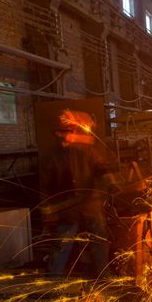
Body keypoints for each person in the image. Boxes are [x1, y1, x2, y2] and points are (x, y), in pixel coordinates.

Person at [40, 109, 110, 277]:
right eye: (63, 131)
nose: (68, 134)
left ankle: (103, 276)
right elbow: (46, 184)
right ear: (58, 133)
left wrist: (108, 179)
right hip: (67, 209)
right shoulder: (53, 156)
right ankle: (52, 281)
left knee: (99, 242)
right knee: (62, 245)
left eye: (70, 130)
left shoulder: (88, 151)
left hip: (90, 205)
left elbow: (101, 168)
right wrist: (47, 207)